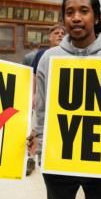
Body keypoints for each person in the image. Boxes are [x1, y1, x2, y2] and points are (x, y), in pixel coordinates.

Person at [30, 0, 101, 199]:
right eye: (69, 12)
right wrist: (44, 151)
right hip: (59, 157)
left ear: (95, 17)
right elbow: (42, 109)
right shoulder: (50, 57)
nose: (75, 17)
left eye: (83, 11)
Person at [26, 23, 66, 176]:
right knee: (35, 129)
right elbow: (35, 75)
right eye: (56, 32)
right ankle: (31, 158)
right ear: (49, 37)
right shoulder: (41, 54)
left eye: (63, 33)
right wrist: (34, 94)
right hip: (43, 98)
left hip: (59, 100)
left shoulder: (69, 55)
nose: (60, 35)